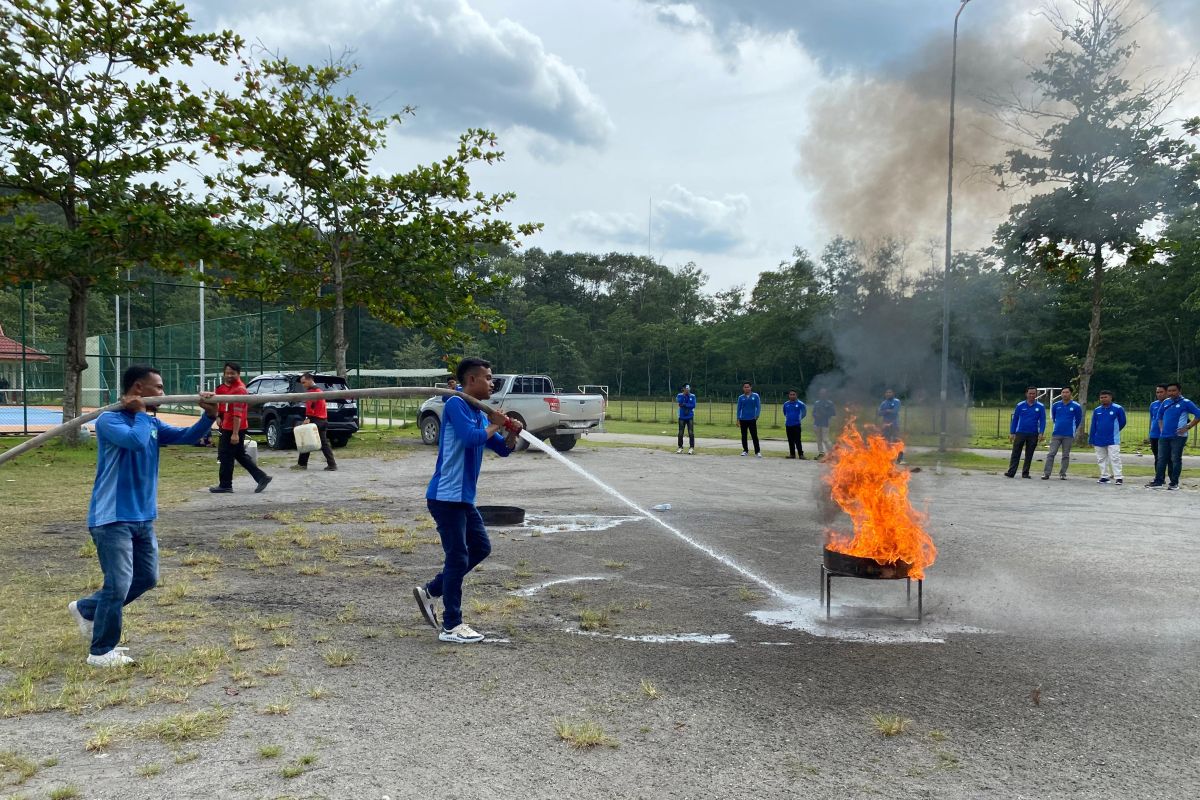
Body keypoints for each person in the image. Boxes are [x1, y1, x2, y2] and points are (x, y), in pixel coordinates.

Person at [67, 365, 218, 666]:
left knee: (147, 577)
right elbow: (134, 443)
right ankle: (100, 652)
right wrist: (138, 415)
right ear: (138, 389)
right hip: (112, 518)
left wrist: (209, 416)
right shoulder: (109, 419)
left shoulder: (148, 422)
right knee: (118, 583)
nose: (163, 393)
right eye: (158, 388)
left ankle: (86, 609)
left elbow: (187, 436)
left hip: (143, 517)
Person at [412, 357, 523, 643]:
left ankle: (432, 590)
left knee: (481, 547)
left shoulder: (479, 411)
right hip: (445, 496)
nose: (491, 382)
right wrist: (496, 425)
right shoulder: (456, 404)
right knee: (458, 556)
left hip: (463, 498)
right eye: (487, 377)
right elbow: (472, 438)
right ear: (471, 380)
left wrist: (510, 432)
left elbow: (503, 450)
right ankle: (452, 626)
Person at [210, 362, 272, 494]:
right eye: (227, 373)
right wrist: (219, 415)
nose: (229, 375)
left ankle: (225, 485)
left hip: (234, 428)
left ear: (238, 374)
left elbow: (237, 414)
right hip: (228, 426)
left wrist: (235, 434)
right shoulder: (225, 388)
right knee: (239, 455)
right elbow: (221, 405)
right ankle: (262, 477)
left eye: (232, 373)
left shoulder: (239, 390)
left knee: (226, 456)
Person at [1147, 382, 1200, 490]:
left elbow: (1198, 414)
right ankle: (1159, 481)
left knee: (1175, 458)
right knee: (1161, 458)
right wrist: (1161, 428)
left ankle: (1174, 483)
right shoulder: (1166, 402)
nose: (1171, 393)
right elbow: (1159, 416)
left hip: (1178, 436)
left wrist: (1188, 426)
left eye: (1173, 390)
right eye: (1169, 391)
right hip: (1164, 436)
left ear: (1179, 391)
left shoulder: (1186, 402)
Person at [292, 372, 336, 472]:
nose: (303, 385)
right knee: (323, 443)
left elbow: (310, 407)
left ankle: (302, 464)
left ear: (310, 380)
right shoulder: (319, 390)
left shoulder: (311, 393)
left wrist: (307, 418)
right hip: (323, 419)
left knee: (306, 441)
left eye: (304, 382)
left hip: (315, 419)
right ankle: (332, 464)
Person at [1042, 387, 1083, 480]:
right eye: (1063, 392)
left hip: (1068, 434)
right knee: (1051, 453)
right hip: (1056, 433)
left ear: (1071, 394)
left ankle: (1063, 473)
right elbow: (1054, 418)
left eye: (1067, 392)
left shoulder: (1076, 406)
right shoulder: (1056, 405)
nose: (1064, 394)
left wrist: (1072, 429)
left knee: (1065, 455)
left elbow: (1078, 420)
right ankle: (1046, 473)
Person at [1005, 387, 1045, 479]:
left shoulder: (1040, 407)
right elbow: (1015, 419)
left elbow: (1042, 420)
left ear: (1036, 394)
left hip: (1033, 433)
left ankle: (1025, 473)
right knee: (1015, 453)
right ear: (1026, 394)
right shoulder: (1020, 405)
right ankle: (1011, 472)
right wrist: (1012, 432)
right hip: (1020, 433)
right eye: (1030, 393)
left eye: (1033, 394)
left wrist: (1041, 432)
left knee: (1029, 454)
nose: (1032, 395)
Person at [1089, 390, 1127, 485]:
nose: (1103, 399)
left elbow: (1123, 422)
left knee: (1115, 458)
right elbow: (1093, 425)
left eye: (1105, 397)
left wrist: (1115, 431)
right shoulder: (1097, 410)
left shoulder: (1118, 408)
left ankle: (1118, 477)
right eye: (1101, 397)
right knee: (1101, 458)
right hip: (1099, 438)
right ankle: (1105, 476)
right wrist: (1091, 438)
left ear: (1110, 397)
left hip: (1113, 439)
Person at [736, 382, 762, 458]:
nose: (746, 388)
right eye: (745, 387)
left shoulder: (755, 396)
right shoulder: (741, 397)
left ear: (751, 387)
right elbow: (738, 408)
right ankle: (745, 450)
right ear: (743, 388)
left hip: (752, 419)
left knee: (754, 435)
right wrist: (738, 418)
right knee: (744, 435)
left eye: (748, 387)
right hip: (743, 419)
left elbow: (758, 406)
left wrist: (757, 415)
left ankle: (757, 452)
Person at [877, 389, 903, 462]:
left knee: (897, 441)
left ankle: (899, 458)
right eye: (887, 392)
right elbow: (879, 413)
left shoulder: (896, 401)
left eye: (890, 392)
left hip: (895, 424)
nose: (888, 394)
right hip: (885, 425)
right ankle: (888, 457)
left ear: (893, 393)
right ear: (885, 394)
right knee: (885, 441)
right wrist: (887, 411)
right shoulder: (883, 403)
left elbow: (895, 411)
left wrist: (885, 411)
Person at [811, 388, 836, 459]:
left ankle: (832, 453)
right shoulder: (817, 403)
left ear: (827, 394)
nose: (822, 394)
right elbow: (813, 413)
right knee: (818, 439)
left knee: (825, 439)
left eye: (824, 393)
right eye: (821, 393)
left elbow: (833, 413)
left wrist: (824, 414)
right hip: (817, 423)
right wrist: (816, 415)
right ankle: (821, 453)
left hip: (825, 423)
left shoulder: (830, 403)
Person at [783, 390, 807, 459]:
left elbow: (804, 413)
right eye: (791, 394)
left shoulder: (800, 404)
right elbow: (784, 412)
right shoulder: (786, 404)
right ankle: (792, 454)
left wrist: (798, 419)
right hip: (788, 425)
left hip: (796, 425)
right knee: (790, 440)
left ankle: (801, 454)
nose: (792, 396)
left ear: (796, 395)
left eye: (794, 394)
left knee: (797, 440)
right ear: (789, 395)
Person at [1148, 384, 1167, 462]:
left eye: (1161, 392)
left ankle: (1171, 474)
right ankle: (1159, 474)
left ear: (1166, 392)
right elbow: (1152, 419)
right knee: (1157, 457)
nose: (1159, 394)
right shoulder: (1153, 405)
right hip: (1154, 435)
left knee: (1168, 457)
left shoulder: (1171, 404)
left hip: (1167, 435)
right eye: (1157, 392)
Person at [675, 383, 696, 454]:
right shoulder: (679, 395)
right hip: (682, 417)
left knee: (691, 432)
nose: (688, 390)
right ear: (683, 389)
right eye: (686, 389)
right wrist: (684, 396)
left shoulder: (693, 396)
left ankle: (691, 448)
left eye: (688, 388)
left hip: (690, 416)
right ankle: (680, 447)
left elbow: (693, 405)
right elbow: (679, 402)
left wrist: (685, 405)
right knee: (681, 432)